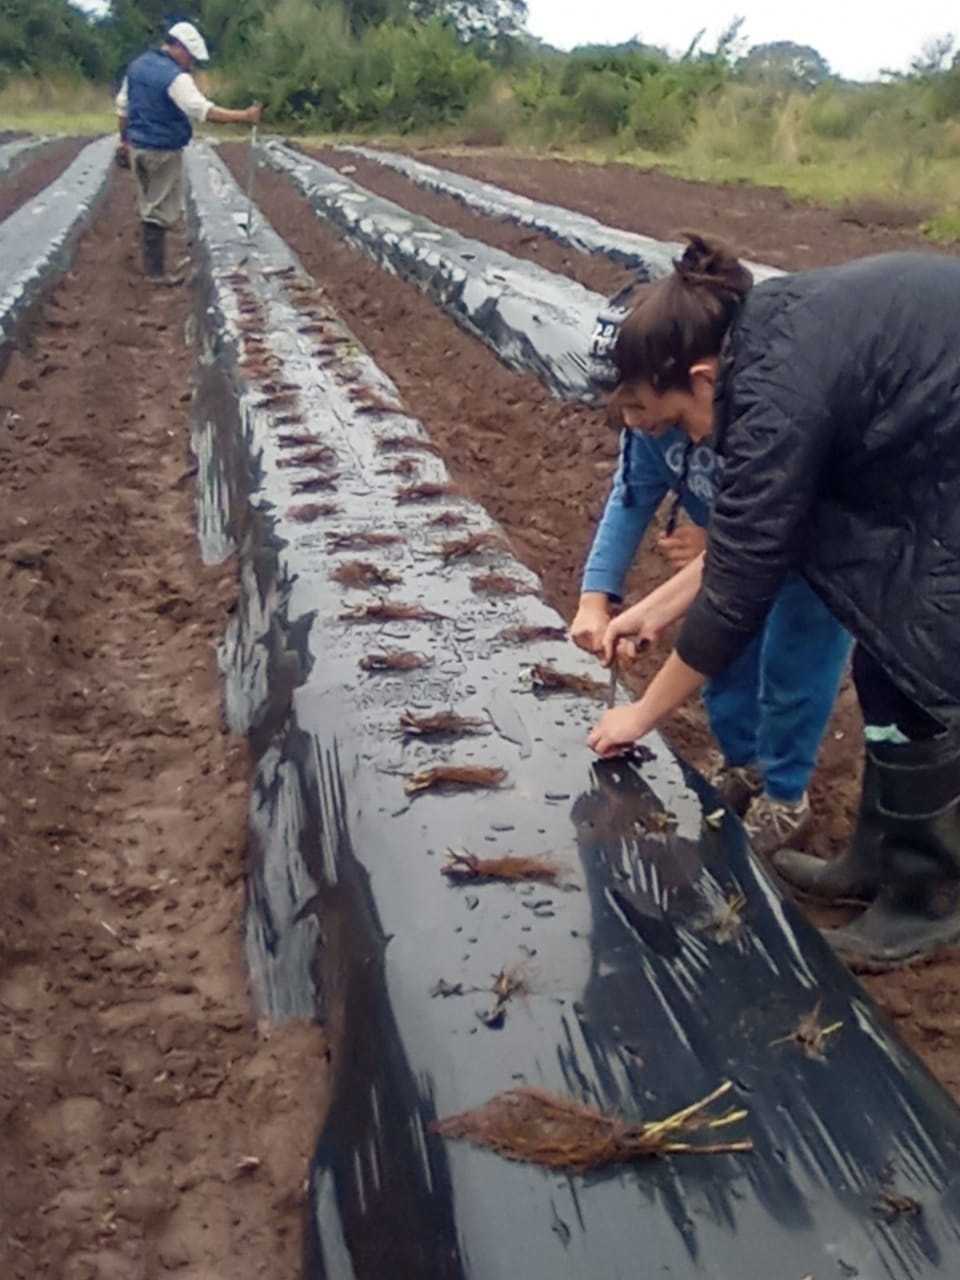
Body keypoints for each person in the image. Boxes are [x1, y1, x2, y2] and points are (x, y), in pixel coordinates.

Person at [586, 233, 960, 967]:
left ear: (699, 377)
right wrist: (652, 609)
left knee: (925, 646)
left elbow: (741, 585)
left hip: (941, 452)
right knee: (885, 648)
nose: (674, 437)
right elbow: (756, 531)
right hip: (919, 437)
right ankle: (878, 856)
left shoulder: (772, 394)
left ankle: (928, 898)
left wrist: (641, 713)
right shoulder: (756, 354)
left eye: (665, 417)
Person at [115, 21, 262, 283]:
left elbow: (122, 107)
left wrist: (124, 141)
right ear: (179, 47)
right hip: (163, 150)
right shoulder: (175, 77)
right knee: (159, 210)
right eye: (190, 57)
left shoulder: (137, 66)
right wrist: (244, 116)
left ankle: (154, 267)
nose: (191, 64)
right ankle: (155, 273)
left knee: (149, 203)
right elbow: (202, 110)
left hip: (138, 147)